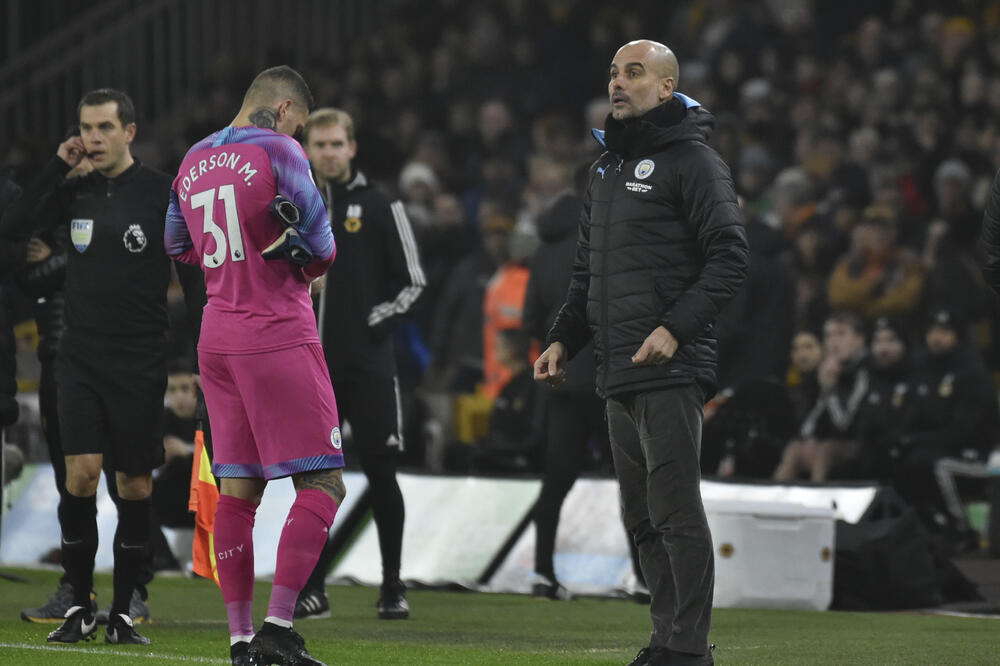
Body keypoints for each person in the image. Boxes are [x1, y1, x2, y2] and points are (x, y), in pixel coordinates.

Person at [534, 40, 749, 666]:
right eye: (613, 73)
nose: (619, 84)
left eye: (634, 73)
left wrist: (676, 330)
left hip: (670, 364)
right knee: (642, 516)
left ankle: (689, 648)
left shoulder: (695, 162)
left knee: (675, 508)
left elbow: (730, 258)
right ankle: (666, 638)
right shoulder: (604, 171)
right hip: (615, 367)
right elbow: (587, 276)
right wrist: (562, 338)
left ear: (666, 88)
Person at [0, 89, 204, 646]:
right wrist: (56, 167)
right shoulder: (76, 192)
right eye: (86, 127)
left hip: (139, 361)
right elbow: (15, 226)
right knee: (80, 477)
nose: (93, 137)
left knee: (133, 482)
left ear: (129, 131)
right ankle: (79, 606)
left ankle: (123, 610)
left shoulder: (164, 193)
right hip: (79, 359)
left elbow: (190, 273)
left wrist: (204, 345)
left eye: (104, 127)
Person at [165, 66, 344, 666]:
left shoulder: (191, 159)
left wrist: (230, 258)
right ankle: (279, 629)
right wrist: (290, 255)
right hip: (275, 332)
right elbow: (322, 247)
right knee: (322, 481)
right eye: (301, 122)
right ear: (286, 108)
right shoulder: (280, 149)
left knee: (239, 494)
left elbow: (178, 244)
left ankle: (241, 642)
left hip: (216, 337)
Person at [294, 107, 425, 621]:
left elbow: (413, 280)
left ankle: (393, 584)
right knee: (313, 480)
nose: (327, 153)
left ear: (351, 147)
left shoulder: (380, 203)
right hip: (311, 368)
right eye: (318, 144)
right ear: (305, 149)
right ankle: (313, 587)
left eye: (335, 144)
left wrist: (376, 320)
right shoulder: (293, 206)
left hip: (369, 366)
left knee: (381, 473)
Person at [773, 312, 870, 482]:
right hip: (830, 441)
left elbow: (844, 424)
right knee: (795, 448)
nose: (833, 341)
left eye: (841, 334)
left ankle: (815, 501)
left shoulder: (865, 371)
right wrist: (808, 439)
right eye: (829, 335)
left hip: (862, 443)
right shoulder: (826, 370)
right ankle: (774, 503)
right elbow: (807, 427)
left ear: (859, 339)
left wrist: (829, 389)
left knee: (824, 450)